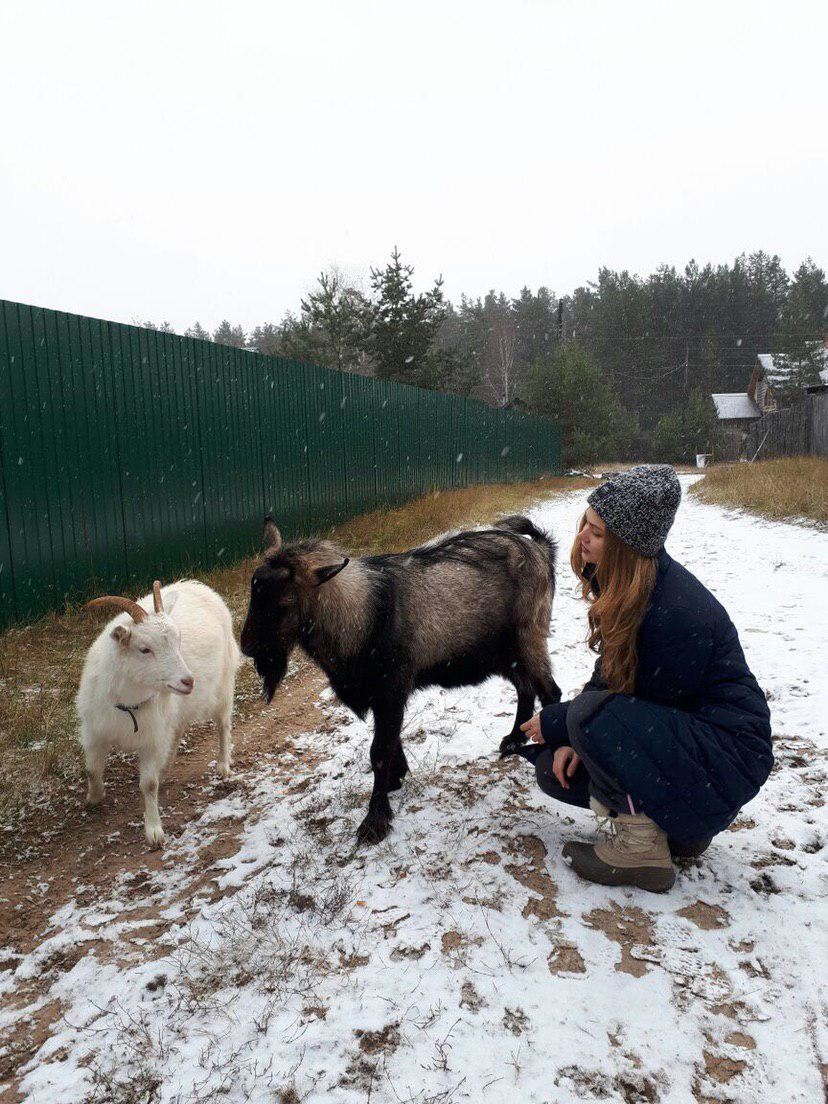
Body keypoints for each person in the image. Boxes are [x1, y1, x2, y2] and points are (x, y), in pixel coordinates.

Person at [517, 464, 773, 893]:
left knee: (585, 720)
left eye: (597, 534)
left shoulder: (675, 611)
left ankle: (642, 851)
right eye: (587, 525)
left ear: (625, 546)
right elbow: (613, 683)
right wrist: (572, 739)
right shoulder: (633, 586)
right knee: (552, 770)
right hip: (687, 749)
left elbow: (641, 703)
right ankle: (680, 831)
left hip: (727, 756)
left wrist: (564, 724)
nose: (582, 538)